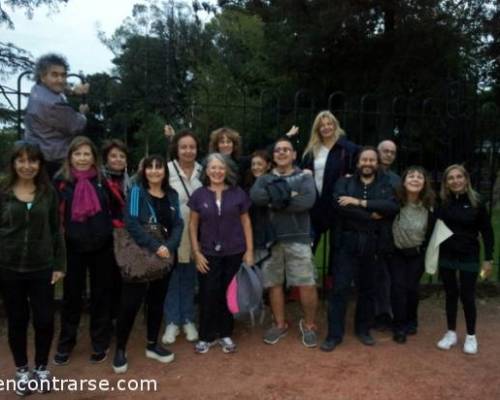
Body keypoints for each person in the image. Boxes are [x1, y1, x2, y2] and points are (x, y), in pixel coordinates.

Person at [0, 141, 66, 396]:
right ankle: (21, 370)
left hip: (42, 266)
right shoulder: (4, 191)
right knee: (17, 320)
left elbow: (55, 230)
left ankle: (41, 368)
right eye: (22, 160)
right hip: (8, 267)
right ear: (14, 163)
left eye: (33, 161)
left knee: (44, 320)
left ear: (40, 164)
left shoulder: (48, 193)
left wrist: (59, 264)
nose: (27, 166)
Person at [321, 147, 399, 352]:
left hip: (373, 244)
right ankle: (334, 335)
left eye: (372, 160)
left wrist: (359, 202)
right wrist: (370, 214)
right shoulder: (344, 182)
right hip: (346, 242)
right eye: (364, 159)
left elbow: (391, 207)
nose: (368, 163)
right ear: (358, 162)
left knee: (368, 290)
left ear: (377, 163)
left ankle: (363, 329)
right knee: (339, 289)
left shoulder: (385, 185)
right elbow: (339, 205)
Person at [113, 155, 183, 373]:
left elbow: (178, 223)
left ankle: (153, 344)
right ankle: (120, 349)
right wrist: (156, 246)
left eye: (158, 167)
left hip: (165, 257)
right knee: (130, 304)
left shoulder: (172, 194)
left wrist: (169, 247)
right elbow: (131, 223)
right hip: (140, 257)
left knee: (157, 302)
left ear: (165, 171)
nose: (154, 171)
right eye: (150, 168)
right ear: (144, 171)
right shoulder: (136, 192)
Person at [250, 138, 318, 348]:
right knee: (274, 284)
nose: (281, 153)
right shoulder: (264, 178)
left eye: (286, 150)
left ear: (294, 154)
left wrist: (276, 200)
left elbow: (307, 201)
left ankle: (309, 325)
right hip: (272, 239)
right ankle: (280, 324)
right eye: (278, 150)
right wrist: (290, 196)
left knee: (306, 283)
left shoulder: (304, 177)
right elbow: (256, 197)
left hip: (299, 237)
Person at [53, 136, 114, 366]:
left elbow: (117, 206)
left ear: (93, 158)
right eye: (78, 154)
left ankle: (100, 341)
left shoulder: (102, 180)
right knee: (71, 298)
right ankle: (66, 343)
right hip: (73, 248)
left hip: (101, 246)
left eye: (86, 154)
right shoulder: (61, 182)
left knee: (100, 296)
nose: (82, 158)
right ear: (70, 156)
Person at [188, 153, 254, 354]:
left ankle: (226, 333)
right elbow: (192, 225)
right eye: (213, 168)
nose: (217, 171)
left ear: (227, 171)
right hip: (208, 253)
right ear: (206, 171)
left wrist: (250, 251)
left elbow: (246, 222)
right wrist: (196, 252)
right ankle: (206, 336)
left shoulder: (238, 193)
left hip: (234, 251)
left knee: (229, 294)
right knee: (208, 293)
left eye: (221, 168)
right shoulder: (199, 194)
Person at [436, 164, 494, 355]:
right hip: (447, 255)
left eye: (459, 177)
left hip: (469, 255)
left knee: (467, 296)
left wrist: (488, 259)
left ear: (466, 179)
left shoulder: (477, 201)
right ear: (446, 182)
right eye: (450, 178)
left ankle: (471, 336)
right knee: (450, 294)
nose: (455, 181)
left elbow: (487, 232)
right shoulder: (442, 202)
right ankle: (451, 333)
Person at [162, 130, 203, 345]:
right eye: (183, 147)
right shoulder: (166, 171)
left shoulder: (203, 172)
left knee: (188, 277)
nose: (188, 151)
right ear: (176, 149)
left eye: (192, 147)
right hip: (171, 233)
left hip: (195, 234)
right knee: (171, 277)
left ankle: (187, 318)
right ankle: (172, 321)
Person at [390, 166, 436, 343]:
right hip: (396, 252)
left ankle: (412, 320)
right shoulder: (394, 201)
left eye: (420, 177)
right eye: (411, 176)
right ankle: (399, 325)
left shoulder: (430, 206)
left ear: (424, 183)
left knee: (412, 288)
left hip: (417, 253)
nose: (415, 179)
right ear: (404, 181)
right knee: (398, 287)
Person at [24, 53, 89, 178]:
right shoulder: (53, 104)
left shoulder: (37, 89)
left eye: (63, 75)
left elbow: (57, 89)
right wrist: (83, 113)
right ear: (43, 77)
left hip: (38, 150)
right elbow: (75, 125)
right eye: (54, 75)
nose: (60, 79)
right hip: (54, 160)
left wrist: (72, 91)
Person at [301, 111, 359, 247]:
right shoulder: (312, 150)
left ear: (335, 126)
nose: (326, 127)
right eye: (322, 125)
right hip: (315, 204)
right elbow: (301, 171)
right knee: (308, 247)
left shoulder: (347, 148)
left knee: (338, 248)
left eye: (329, 124)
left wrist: (352, 176)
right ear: (317, 129)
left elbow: (363, 163)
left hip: (337, 204)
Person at [101, 139, 131, 323]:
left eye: (121, 156)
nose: (118, 159)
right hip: (104, 236)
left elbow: (134, 210)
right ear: (106, 159)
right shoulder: (99, 180)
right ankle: (105, 318)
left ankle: (117, 319)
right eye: (113, 156)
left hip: (125, 237)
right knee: (105, 281)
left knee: (122, 280)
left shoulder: (132, 182)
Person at [373, 139, 401, 331]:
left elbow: (397, 204)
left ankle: (383, 313)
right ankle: (369, 311)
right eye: (385, 151)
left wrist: (382, 211)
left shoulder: (396, 179)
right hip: (364, 228)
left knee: (384, 274)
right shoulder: (366, 172)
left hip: (386, 231)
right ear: (378, 151)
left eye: (392, 152)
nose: (389, 154)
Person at [244, 150, 274, 265]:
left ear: (268, 166)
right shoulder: (247, 189)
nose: (255, 167)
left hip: (271, 236)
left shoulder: (274, 185)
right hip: (254, 238)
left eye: (259, 164)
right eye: (253, 164)